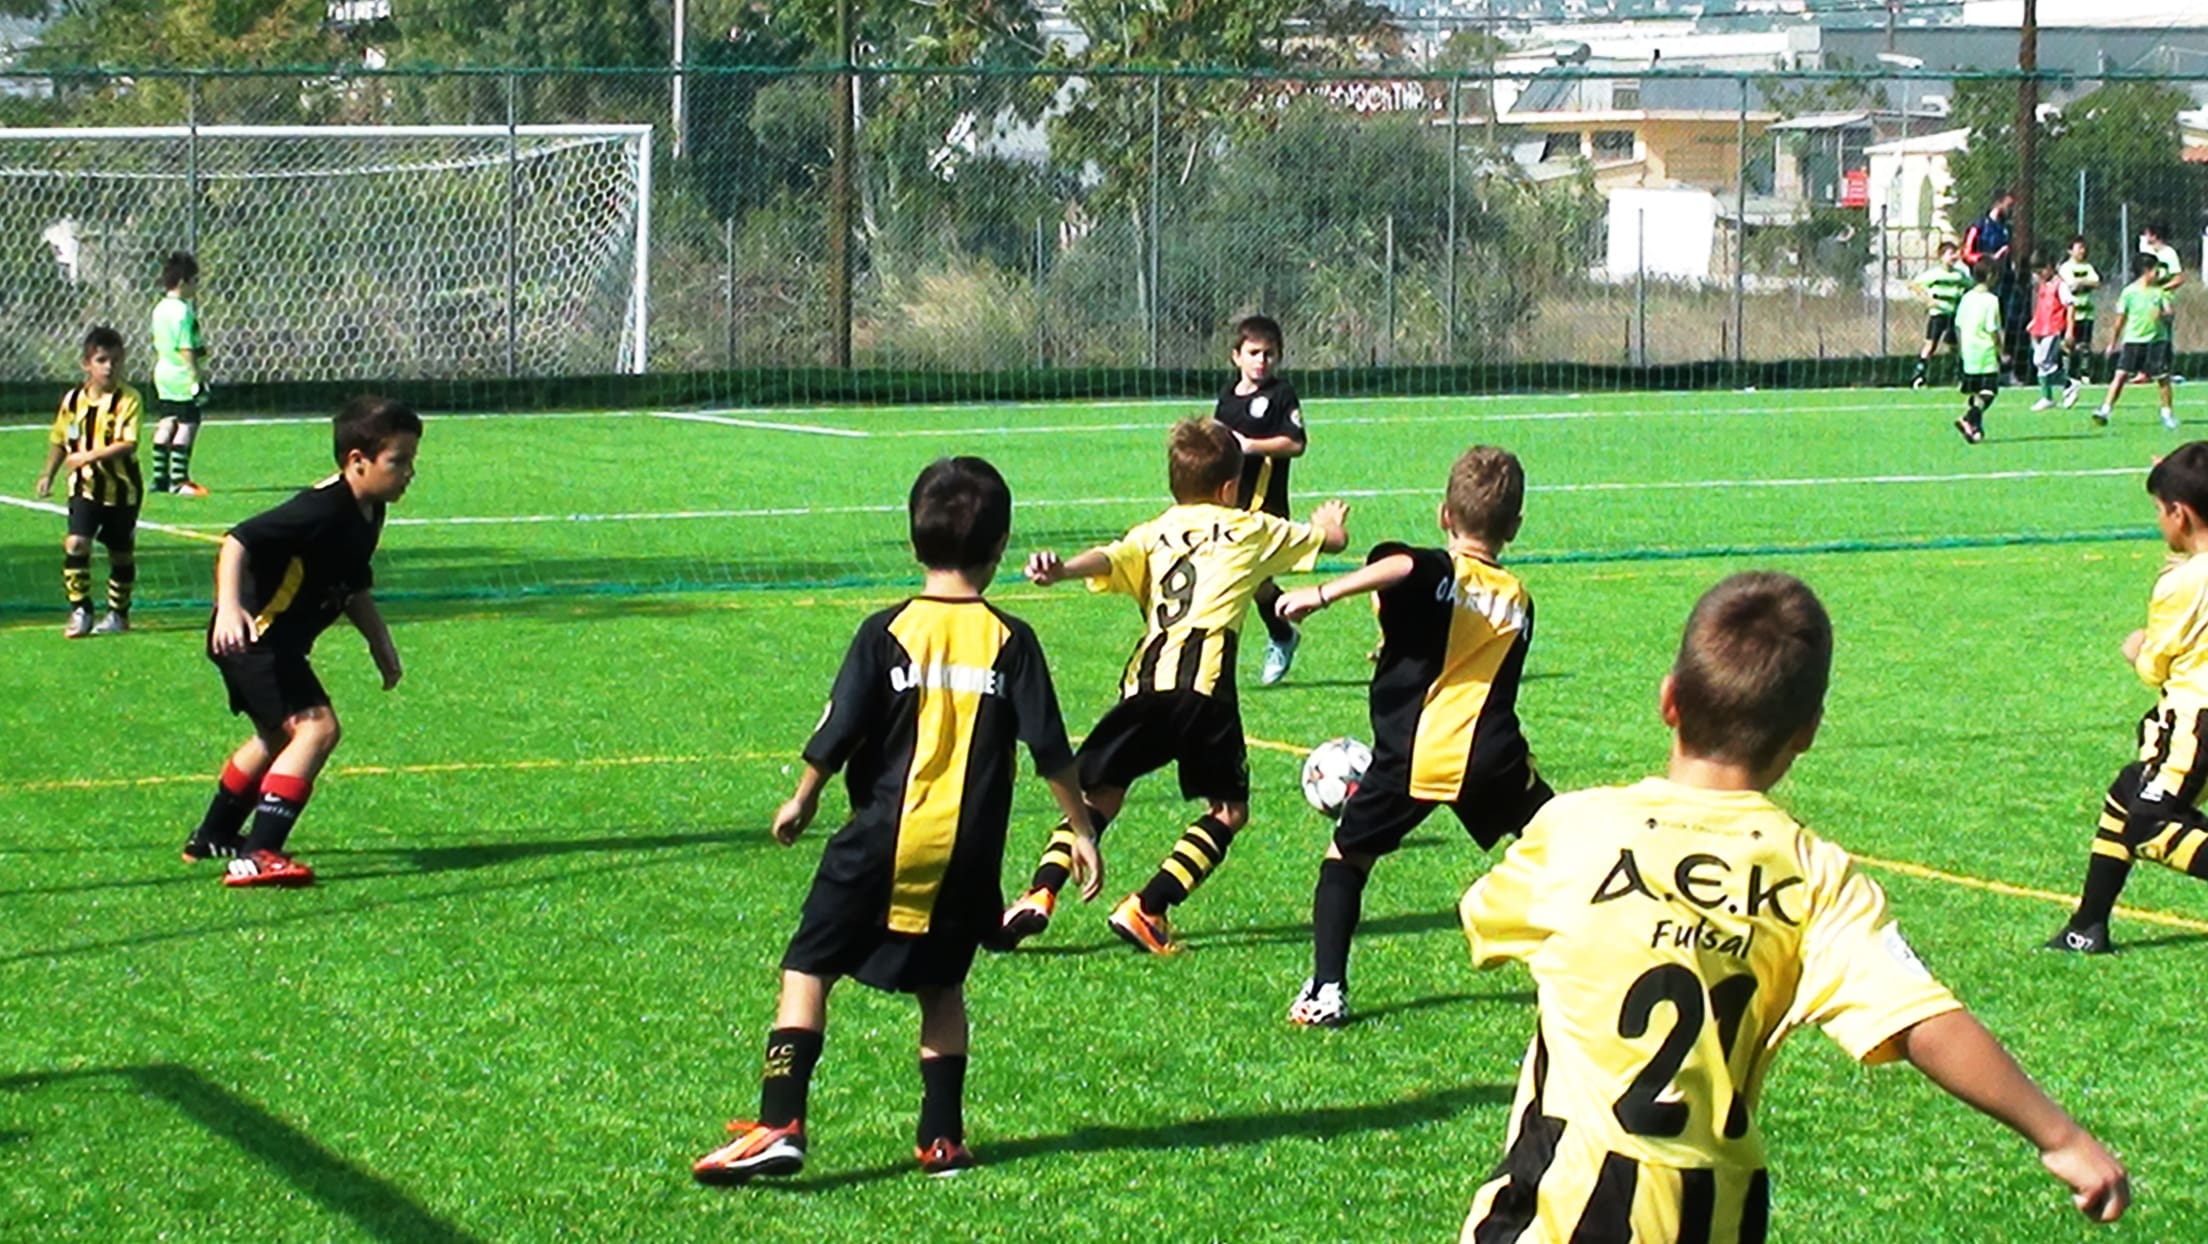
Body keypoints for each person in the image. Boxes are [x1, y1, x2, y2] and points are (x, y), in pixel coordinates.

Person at [1458, 572, 2131, 1241]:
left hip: (1557, 1204)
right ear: (1807, 732)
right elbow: (1921, 1018)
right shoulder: (1814, 875)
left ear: (1670, 700)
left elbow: (1488, 918)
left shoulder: (1577, 828)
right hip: (1714, 1217)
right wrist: (2060, 1135)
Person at [691, 457, 1101, 1184]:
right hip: (967, 854)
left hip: (878, 840)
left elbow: (841, 724)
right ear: (1000, 545)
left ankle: (780, 1120)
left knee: (808, 968)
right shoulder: (1013, 641)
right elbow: (1051, 750)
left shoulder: (886, 631)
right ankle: (943, 1139)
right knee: (941, 987)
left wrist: (803, 795)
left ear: (914, 544)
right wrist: (1082, 831)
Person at [999, 419, 1349, 956]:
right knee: (1228, 811)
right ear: (1229, 488)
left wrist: (1063, 568)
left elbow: (1109, 558)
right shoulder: (1249, 527)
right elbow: (1332, 542)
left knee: (1101, 796)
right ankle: (1149, 906)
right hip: (1203, 688)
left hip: (1144, 683)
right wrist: (1330, 524)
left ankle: (1039, 892)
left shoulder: (1154, 531)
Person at [1273, 445, 1553, 1028]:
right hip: (1494, 756)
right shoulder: (1521, 599)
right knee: (1564, 841)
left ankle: (1326, 990)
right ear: (1515, 527)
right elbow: (1460, 644)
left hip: (1418, 754)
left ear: (1444, 516)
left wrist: (1321, 594)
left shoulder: (1438, 569)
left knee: (1346, 858)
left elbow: (1403, 567)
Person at [181, 397, 421, 886]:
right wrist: (229, 606)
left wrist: (380, 644)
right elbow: (238, 540)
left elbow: (353, 584)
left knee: (275, 738)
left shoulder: (369, 509)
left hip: (271, 645)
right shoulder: (320, 508)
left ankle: (213, 835)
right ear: (358, 461)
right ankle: (258, 854)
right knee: (317, 730)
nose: (409, 473)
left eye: (411, 461)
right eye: (398, 461)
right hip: (256, 639)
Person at [2049, 443, 2208, 954]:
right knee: (2127, 792)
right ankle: (2087, 927)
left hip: (2195, 721)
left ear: (2179, 514)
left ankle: (2088, 926)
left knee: (2147, 822)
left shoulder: (2181, 584)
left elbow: (2155, 667)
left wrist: (2137, 649)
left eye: (2160, 510)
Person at [1212, 314, 1309, 686]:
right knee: (1251, 579)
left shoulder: (1281, 395)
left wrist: (1250, 446)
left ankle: (1221, 655)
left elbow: (1295, 443)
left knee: (1237, 574)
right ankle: (1282, 631)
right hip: (1228, 503)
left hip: (1265, 505)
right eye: (1254, 353)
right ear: (1236, 356)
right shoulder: (1227, 398)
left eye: (1269, 354)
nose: (1261, 361)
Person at [33, 326, 143, 638]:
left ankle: (119, 613)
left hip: (123, 489)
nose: (109, 367)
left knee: (120, 552)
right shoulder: (72, 401)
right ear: (86, 364)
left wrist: (87, 456)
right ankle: (81, 610)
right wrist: (48, 474)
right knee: (76, 543)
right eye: (102, 360)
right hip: (85, 487)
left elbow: (128, 443)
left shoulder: (128, 399)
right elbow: (61, 438)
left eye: (116, 361)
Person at [149, 251, 210, 497]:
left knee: (167, 420)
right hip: (181, 375)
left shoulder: (159, 308)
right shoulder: (183, 312)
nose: (196, 286)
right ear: (183, 282)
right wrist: (196, 377)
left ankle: (159, 478)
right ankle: (179, 480)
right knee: (188, 423)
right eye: (195, 281)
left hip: (163, 372)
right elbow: (186, 347)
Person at [2092, 252, 2175, 430]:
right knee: (2120, 375)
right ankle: (2105, 410)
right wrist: (2113, 342)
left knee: (2163, 378)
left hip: (2157, 341)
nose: (2158, 273)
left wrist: (2164, 315)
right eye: (2155, 270)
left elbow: (2170, 314)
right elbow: (2120, 320)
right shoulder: (2129, 293)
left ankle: (2167, 414)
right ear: (2146, 271)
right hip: (2134, 341)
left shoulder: (2159, 292)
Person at [1952, 259, 2005, 444]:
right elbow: (1993, 329)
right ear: (1990, 276)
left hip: (1969, 351)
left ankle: (1975, 429)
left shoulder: (1966, 297)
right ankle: (1967, 419)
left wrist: (1961, 349)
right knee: (1989, 392)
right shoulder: (1991, 300)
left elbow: (1958, 325)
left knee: (1976, 393)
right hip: (1985, 352)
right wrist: (2001, 350)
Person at [1908, 241, 1971, 390]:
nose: (1954, 256)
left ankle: (1959, 376)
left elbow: (1971, 285)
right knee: (1930, 345)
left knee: (1956, 347)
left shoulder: (1959, 275)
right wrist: (1927, 300)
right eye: (1950, 253)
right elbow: (1913, 285)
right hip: (1938, 315)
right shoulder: (1934, 274)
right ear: (1941, 256)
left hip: (1953, 315)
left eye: (1955, 253)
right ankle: (1919, 376)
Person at [2025, 253, 2081, 412]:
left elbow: (2070, 306)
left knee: (2041, 360)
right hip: (2041, 328)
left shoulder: (2060, 285)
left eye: (2041, 271)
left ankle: (2069, 384)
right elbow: (2042, 306)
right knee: (2041, 363)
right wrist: (2034, 322)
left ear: (2050, 267)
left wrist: (2070, 330)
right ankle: (2047, 397)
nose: (2039, 275)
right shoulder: (2043, 284)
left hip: (2053, 328)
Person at [2061, 236, 2102, 385]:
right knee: (2070, 345)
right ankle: (2069, 375)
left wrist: (2082, 283)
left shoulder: (2088, 267)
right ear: (2070, 251)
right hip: (2071, 314)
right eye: (2079, 248)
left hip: (2087, 313)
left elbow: (2097, 282)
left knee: (2084, 346)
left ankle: (2084, 374)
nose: (2082, 251)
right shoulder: (2065, 268)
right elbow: (2071, 286)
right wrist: (2085, 283)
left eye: (2084, 248)